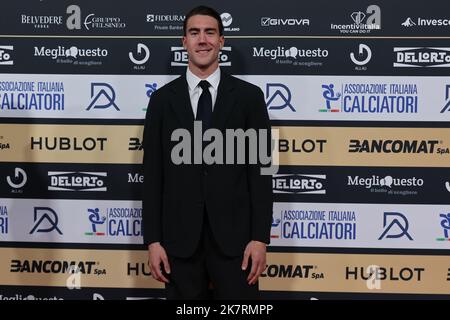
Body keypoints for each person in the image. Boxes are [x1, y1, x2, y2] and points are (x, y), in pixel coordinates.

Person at [142, 5, 273, 300]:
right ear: (184, 41)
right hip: (178, 243)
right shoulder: (161, 101)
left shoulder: (250, 98)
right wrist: (153, 241)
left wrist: (260, 238)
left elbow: (262, 173)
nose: (202, 40)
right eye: (194, 32)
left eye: (210, 32)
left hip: (237, 244)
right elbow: (152, 177)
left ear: (221, 41)